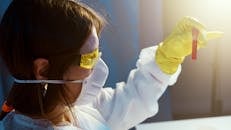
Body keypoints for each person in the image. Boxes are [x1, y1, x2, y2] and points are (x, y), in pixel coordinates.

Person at [0, 0, 222, 130]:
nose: (98, 66)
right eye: (88, 58)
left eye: (98, 54)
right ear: (43, 70)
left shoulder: (71, 107)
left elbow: (128, 100)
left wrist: (165, 59)